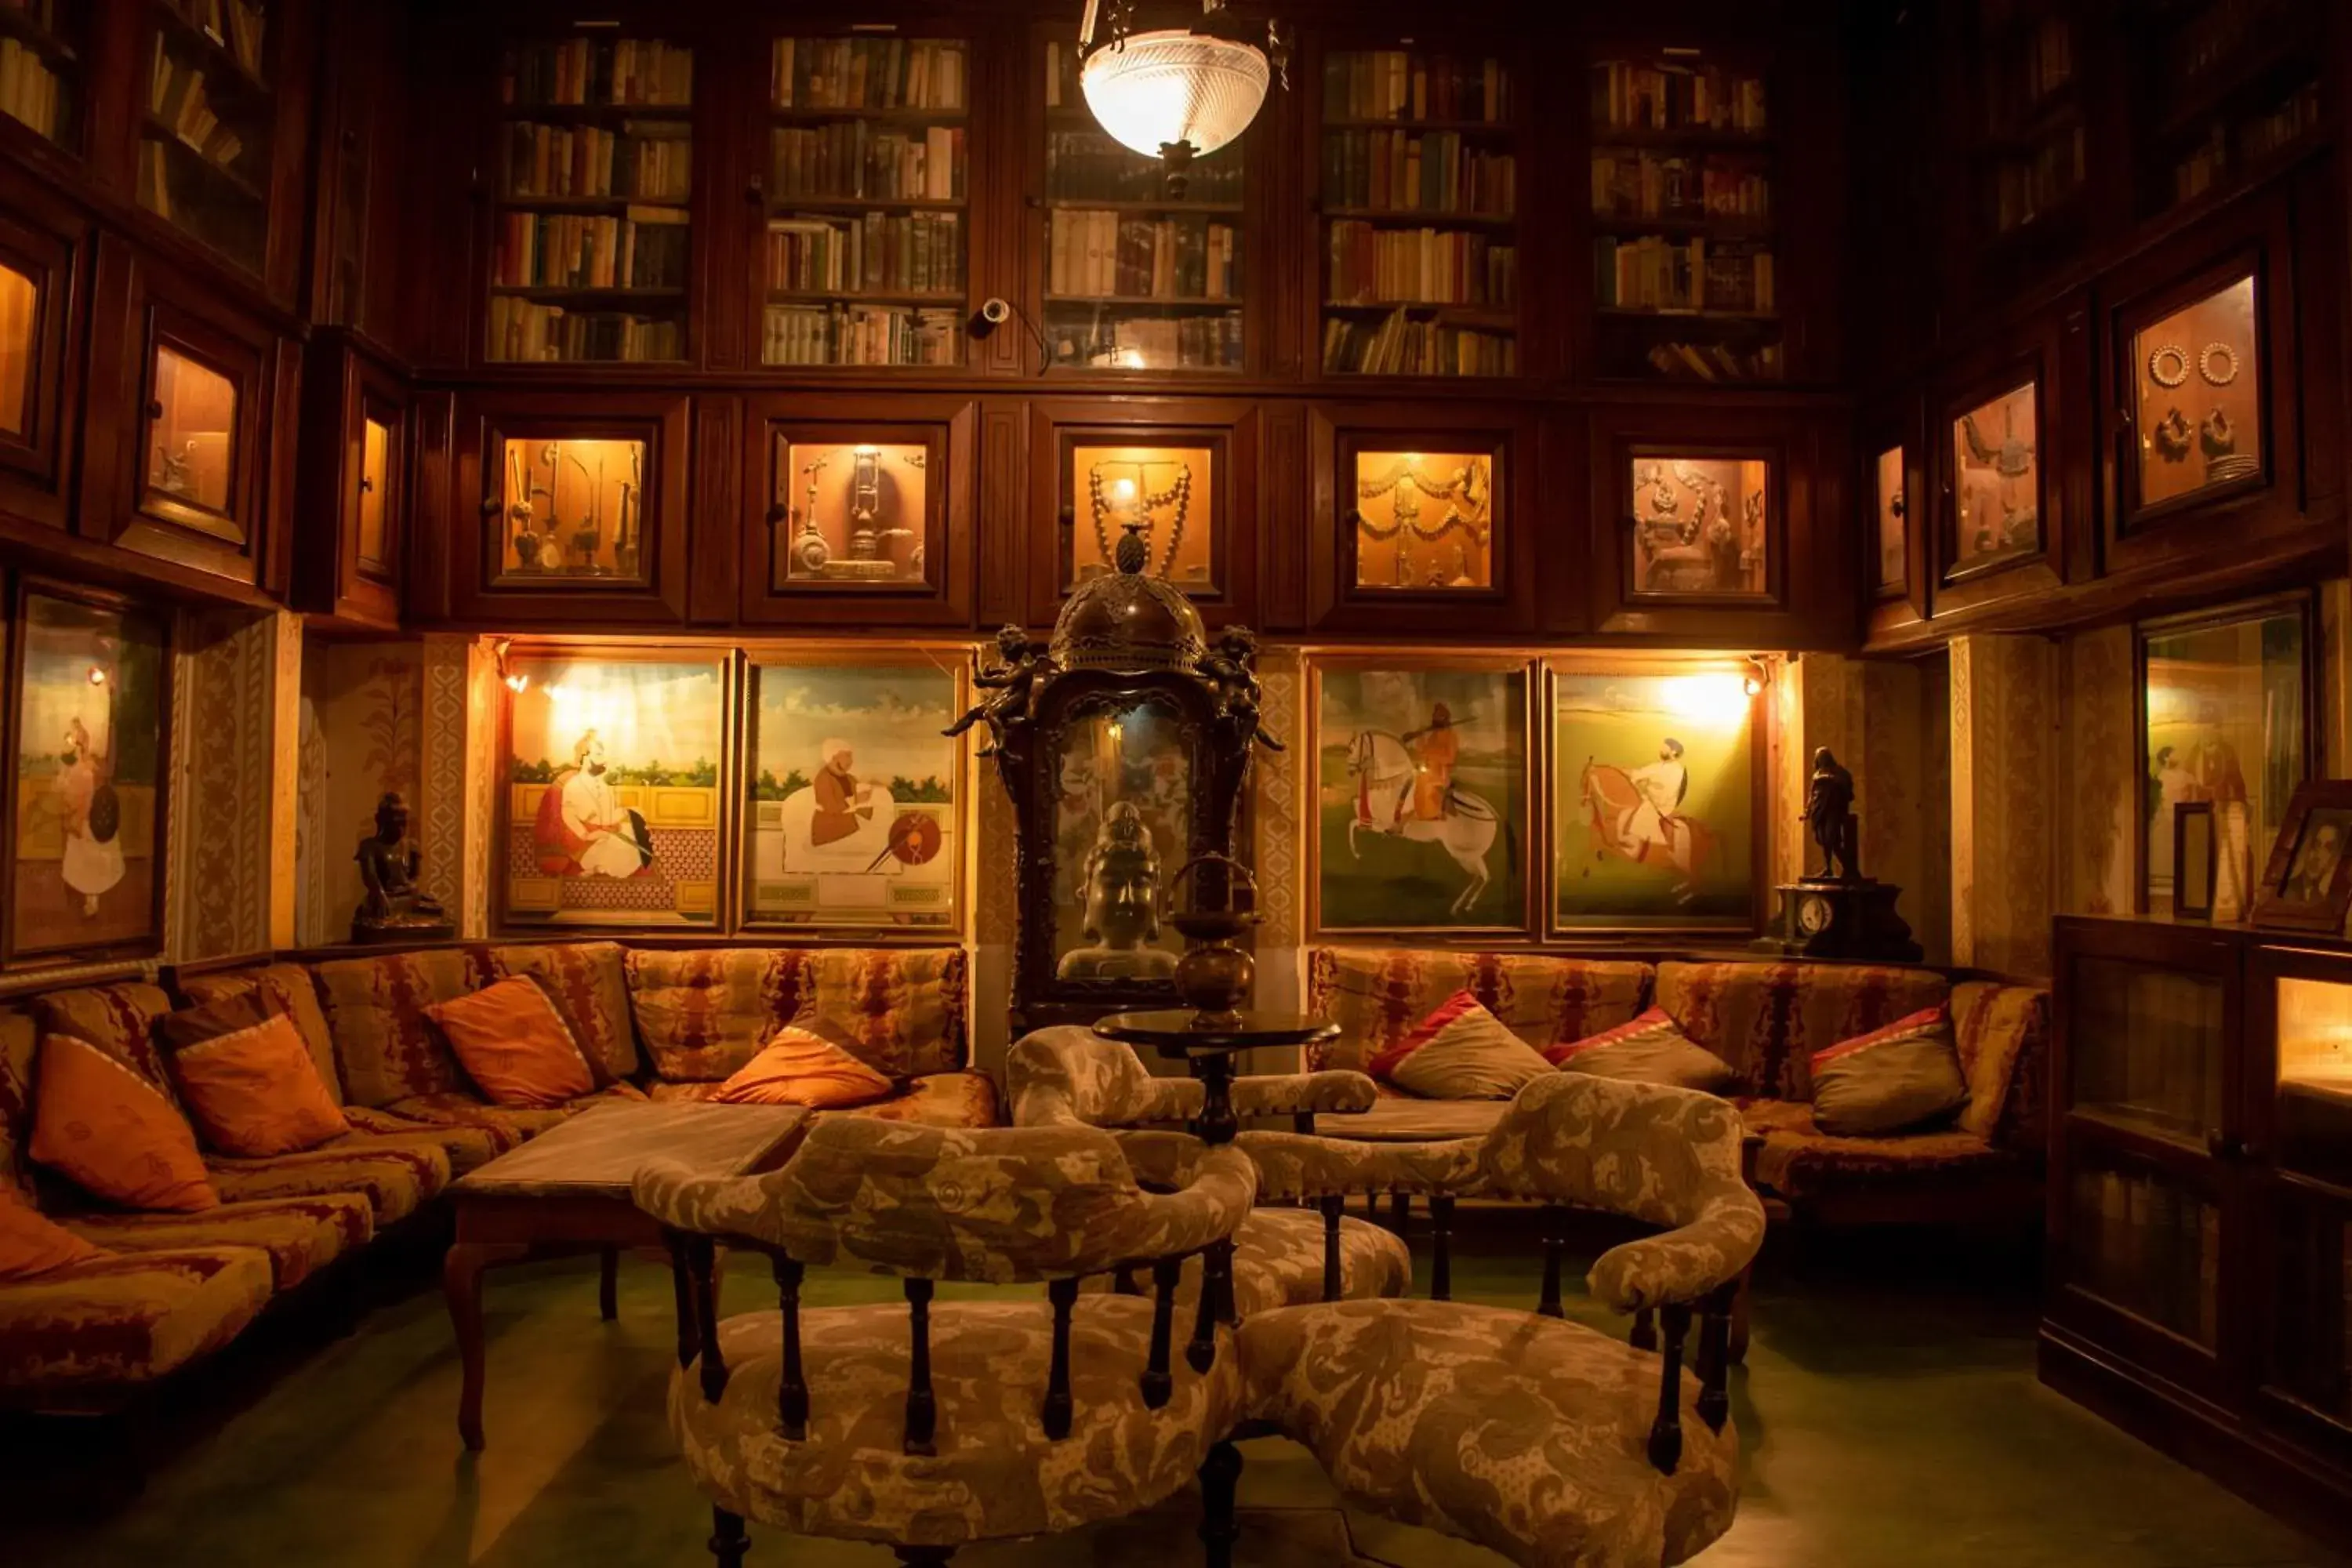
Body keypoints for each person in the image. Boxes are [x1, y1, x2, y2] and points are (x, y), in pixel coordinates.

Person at [539, 730, 650, 878]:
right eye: (598, 755)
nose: (604, 759)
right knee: (624, 847)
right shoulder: (574, 785)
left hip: (607, 833)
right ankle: (597, 868)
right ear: (585, 758)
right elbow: (569, 814)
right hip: (590, 840)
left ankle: (604, 867)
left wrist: (628, 813)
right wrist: (586, 835)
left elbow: (610, 815)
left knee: (636, 835)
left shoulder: (602, 784)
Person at [56, 716, 122, 918]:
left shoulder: (88, 767)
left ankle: (91, 900)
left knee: (90, 861)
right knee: (81, 859)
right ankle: (83, 895)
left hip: (88, 821)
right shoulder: (78, 766)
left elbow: (88, 791)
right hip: (83, 820)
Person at [1617, 739, 1689, 855]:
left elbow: (1638, 775)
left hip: (1659, 806)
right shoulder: (1662, 767)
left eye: (1665, 748)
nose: (1661, 750)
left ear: (1673, 752)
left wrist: (1628, 774)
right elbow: (1639, 774)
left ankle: (1640, 846)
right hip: (1657, 803)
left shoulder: (1667, 770)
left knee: (1639, 817)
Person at [1399, 703, 1457, 827]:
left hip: (1442, 772)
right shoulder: (1433, 735)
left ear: (1445, 718)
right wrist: (1420, 737)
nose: (1436, 719)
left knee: (1426, 786)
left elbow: (1449, 758)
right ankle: (1410, 812)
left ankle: (1431, 814)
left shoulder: (1451, 735)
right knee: (1413, 782)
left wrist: (1431, 754)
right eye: (1435, 716)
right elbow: (1422, 751)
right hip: (1428, 770)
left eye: (1439, 716)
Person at [809, 739, 877, 848]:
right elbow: (832, 807)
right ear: (834, 757)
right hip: (829, 833)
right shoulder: (823, 779)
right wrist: (857, 801)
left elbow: (862, 809)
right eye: (847, 756)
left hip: (850, 831)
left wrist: (867, 800)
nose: (851, 761)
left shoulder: (850, 779)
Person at [2285, 820, 2344, 903]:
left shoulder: (2339, 896)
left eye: (2328, 848)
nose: (2318, 855)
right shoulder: (2287, 888)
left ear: (2336, 857)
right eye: (2316, 844)